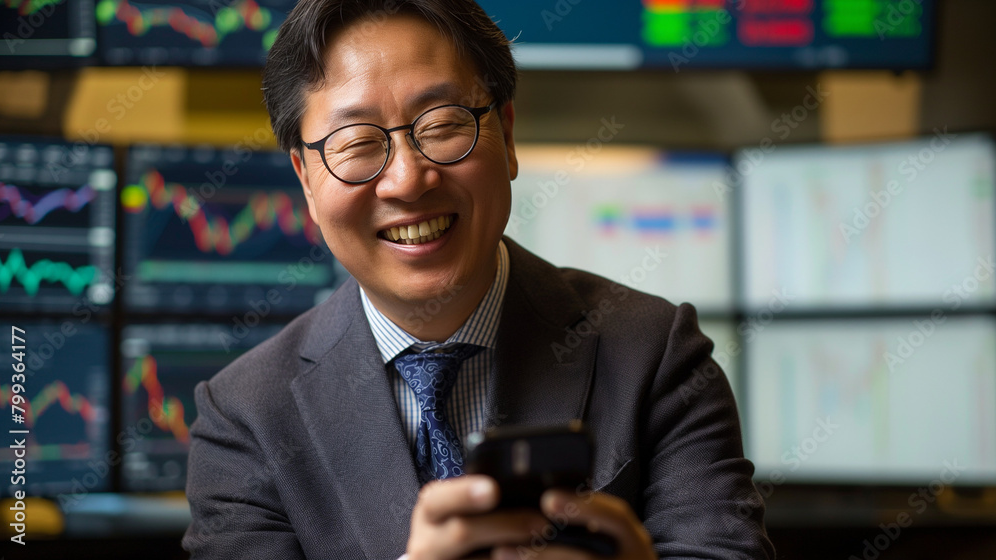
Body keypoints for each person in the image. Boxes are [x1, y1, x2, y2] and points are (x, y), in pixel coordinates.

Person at [182, 1, 775, 558]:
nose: (408, 181)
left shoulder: (658, 355)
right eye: (357, 143)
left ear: (508, 135)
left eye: (441, 125)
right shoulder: (243, 420)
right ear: (307, 180)